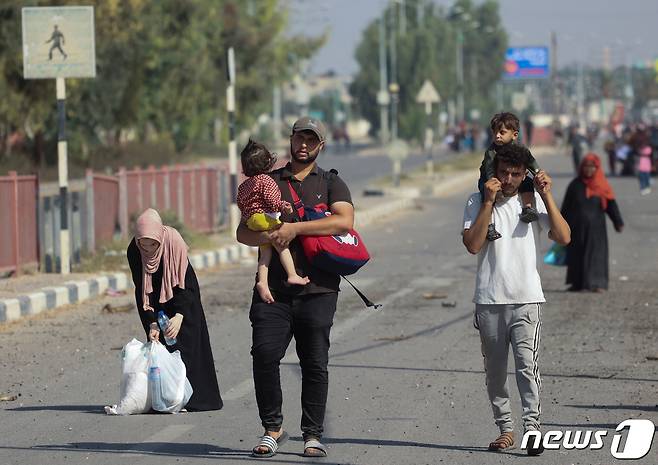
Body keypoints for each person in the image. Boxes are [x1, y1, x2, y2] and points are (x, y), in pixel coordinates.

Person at [236, 117, 354, 458]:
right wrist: (270, 234)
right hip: (272, 290)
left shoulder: (331, 182)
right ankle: (272, 428)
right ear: (290, 141)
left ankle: (313, 433)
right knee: (264, 354)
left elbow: (344, 221)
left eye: (310, 139)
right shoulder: (268, 180)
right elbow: (242, 233)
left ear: (321, 145)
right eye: (298, 138)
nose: (303, 144)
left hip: (319, 288)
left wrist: (295, 229)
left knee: (314, 361)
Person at [462, 143, 571, 456]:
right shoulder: (476, 201)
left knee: (527, 367)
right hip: (489, 300)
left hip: (526, 300)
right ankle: (505, 429)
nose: (508, 179)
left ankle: (533, 428)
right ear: (493, 173)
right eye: (503, 173)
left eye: (515, 174)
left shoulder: (532, 201)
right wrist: (487, 202)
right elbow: (472, 244)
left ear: (525, 175)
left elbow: (564, 237)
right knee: (494, 372)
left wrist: (547, 195)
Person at [127, 208, 223, 412]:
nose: (149, 249)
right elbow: (141, 288)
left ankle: (196, 399)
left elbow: (185, 283)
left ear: (160, 237)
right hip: (156, 302)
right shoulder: (134, 251)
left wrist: (180, 316)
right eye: (143, 244)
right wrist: (151, 320)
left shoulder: (174, 242)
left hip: (183, 296)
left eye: (153, 244)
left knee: (188, 345)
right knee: (162, 348)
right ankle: (169, 398)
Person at [237, 139, 309, 304]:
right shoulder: (266, 180)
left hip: (252, 221)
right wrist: (284, 206)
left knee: (265, 253)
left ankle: (262, 282)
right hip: (265, 218)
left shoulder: (244, 185)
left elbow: (240, 203)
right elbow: (271, 200)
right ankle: (292, 275)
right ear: (268, 162)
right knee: (281, 245)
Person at [561, 154, 624, 292]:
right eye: (586, 167)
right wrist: (559, 225)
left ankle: (596, 283)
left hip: (596, 229)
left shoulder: (602, 185)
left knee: (596, 255)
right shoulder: (575, 185)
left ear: (597, 168)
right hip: (576, 228)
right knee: (577, 254)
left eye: (592, 167)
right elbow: (566, 207)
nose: (588, 170)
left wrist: (618, 222)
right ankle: (577, 283)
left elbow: (611, 205)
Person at [478, 112, 542, 241]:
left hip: (508, 180)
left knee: (528, 183)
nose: (497, 136)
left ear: (514, 135)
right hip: (490, 178)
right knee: (486, 195)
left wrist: (539, 174)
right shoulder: (491, 152)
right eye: (495, 132)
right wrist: (495, 188)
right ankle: (489, 225)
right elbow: (490, 171)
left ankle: (528, 208)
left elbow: (530, 162)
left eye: (502, 132)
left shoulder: (520, 149)